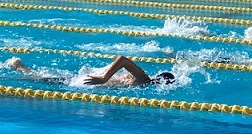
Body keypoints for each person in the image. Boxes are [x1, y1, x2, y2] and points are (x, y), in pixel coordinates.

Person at [7, 55, 175, 87]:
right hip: (90, 80)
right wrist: (103, 78)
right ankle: (20, 67)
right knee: (42, 81)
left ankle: (21, 67)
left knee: (49, 79)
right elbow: (122, 59)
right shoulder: (144, 79)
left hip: (85, 80)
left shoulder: (142, 81)